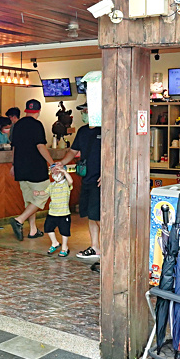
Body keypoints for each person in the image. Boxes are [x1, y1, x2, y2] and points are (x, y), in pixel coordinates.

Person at [10, 99, 55, 240]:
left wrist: (13, 165)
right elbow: (40, 146)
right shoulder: (37, 125)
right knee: (43, 194)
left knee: (30, 200)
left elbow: (14, 147)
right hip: (36, 169)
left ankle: (33, 230)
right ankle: (19, 220)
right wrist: (52, 163)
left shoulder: (17, 125)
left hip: (21, 168)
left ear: (26, 110)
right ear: (39, 111)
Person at [66, 105, 103, 260]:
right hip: (86, 178)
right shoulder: (82, 131)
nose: (84, 114)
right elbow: (73, 151)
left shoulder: (105, 130)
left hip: (100, 180)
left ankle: (111, 248)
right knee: (91, 215)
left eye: (87, 111)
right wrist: (61, 163)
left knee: (101, 217)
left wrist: (109, 173)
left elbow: (117, 153)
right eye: (83, 111)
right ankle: (95, 247)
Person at [43, 165, 73, 257]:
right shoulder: (51, 185)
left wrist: (64, 172)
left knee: (64, 231)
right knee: (48, 227)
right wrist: (38, 193)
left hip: (64, 213)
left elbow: (71, 181)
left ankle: (64, 248)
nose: (55, 174)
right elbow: (45, 192)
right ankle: (55, 243)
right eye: (53, 172)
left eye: (57, 171)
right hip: (52, 212)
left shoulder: (65, 184)